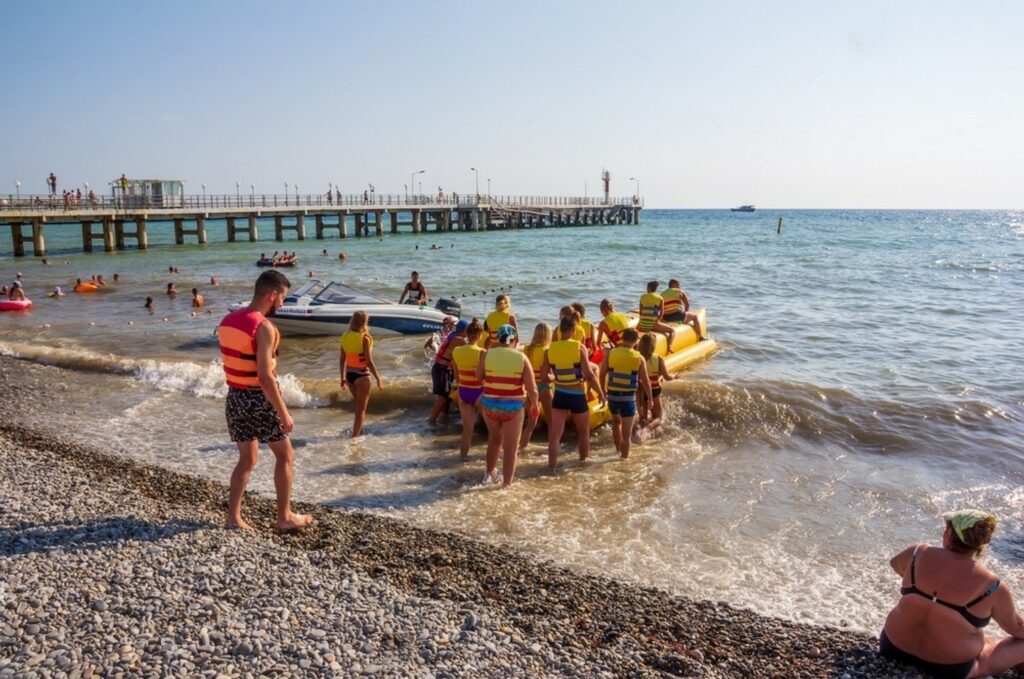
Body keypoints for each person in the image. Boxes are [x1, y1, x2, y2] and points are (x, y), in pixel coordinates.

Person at [216, 270, 312, 531]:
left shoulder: (227, 320)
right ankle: (284, 517)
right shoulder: (264, 327)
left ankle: (233, 518)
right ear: (272, 295)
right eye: (282, 297)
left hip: (235, 396)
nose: (282, 303)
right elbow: (265, 376)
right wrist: (283, 412)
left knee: (246, 459)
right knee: (286, 455)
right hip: (260, 400)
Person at [881, 509, 1024, 678]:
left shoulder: (916, 553)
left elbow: (895, 565)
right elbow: (1016, 628)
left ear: (949, 534)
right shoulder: (992, 585)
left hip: (893, 646)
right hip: (949, 668)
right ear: (981, 544)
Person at [475, 324, 538, 486]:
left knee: (495, 440)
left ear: (499, 338)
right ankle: (506, 485)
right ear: (515, 339)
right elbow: (533, 389)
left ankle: (488, 475)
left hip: (489, 405)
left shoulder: (488, 354)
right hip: (513, 407)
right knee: (510, 450)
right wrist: (534, 405)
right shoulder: (521, 358)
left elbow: (478, 376)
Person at [542, 316, 604, 470]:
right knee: (583, 432)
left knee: (555, 435)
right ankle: (583, 464)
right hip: (577, 395)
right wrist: (601, 392)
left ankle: (552, 467)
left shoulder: (550, 349)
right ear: (573, 331)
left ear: (560, 331)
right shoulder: (579, 347)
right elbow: (589, 374)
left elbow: (544, 377)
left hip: (560, 395)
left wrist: (556, 376)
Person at [599, 328, 651, 459]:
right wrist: (649, 398)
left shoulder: (611, 353)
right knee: (626, 434)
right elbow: (645, 381)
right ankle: (623, 460)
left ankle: (618, 451)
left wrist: (602, 390)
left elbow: (602, 373)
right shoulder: (639, 358)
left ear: (623, 339)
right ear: (635, 341)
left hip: (613, 396)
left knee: (617, 424)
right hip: (628, 398)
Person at [339, 310, 381, 437]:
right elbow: (368, 361)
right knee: (361, 410)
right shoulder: (365, 338)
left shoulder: (345, 335)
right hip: (362, 376)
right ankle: (355, 438)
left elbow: (342, 360)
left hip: (349, 375)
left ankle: (359, 432)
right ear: (364, 322)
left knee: (358, 407)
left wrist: (342, 378)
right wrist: (378, 378)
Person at [451, 319, 485, 458]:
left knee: (467, 429)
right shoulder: (482, 352)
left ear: (467, 334)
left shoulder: (457, 351)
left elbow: (456, 373)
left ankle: (463, 457)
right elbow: (484, 376)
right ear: (480, 335)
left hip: (463, 391)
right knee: (494, 429)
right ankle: (496, 459)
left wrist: (460, 386)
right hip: (478, 392)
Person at [634, 333, 673, 442]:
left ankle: (638, 433)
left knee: (643, 417)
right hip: (654, 390)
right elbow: (667, 377)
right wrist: (675, 376)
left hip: (640, 391)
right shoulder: (658, 358)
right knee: (658, 417)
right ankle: (647, 430)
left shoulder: (636, 358)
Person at [519, 323, 553, 450]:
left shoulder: (527, 349)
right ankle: (552, 449)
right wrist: (556, 378)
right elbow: (548, 374)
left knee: (531, 423)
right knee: (551, 423)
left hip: (531, 388)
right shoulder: (547, 351)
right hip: (544, 388)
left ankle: (521, 448)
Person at [427, 318, 466, 425]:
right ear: (464, 330)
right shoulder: (459, 339)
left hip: (439, 369)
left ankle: (444, 419)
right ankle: (431, 422)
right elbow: (470, 348)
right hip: (442, 371)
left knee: (446, 397)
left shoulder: (451, 334)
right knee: (442, 399)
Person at [637, 281, 675, 347]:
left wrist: (643, 321)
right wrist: (657, 322)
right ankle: (669, 346)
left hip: (642, 324)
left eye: (647, 287)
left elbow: (641, 312)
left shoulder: (642, 297)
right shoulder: (659, 298)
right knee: (672, 330)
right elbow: (662, 313)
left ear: (649, 288)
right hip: (653, 325)